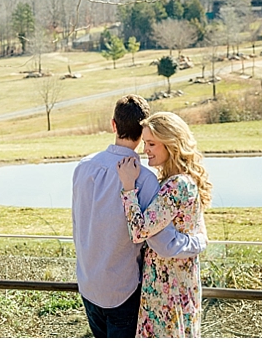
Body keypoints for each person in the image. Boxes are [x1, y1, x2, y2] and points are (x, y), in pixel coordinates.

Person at [73, 95, 206, 338]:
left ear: (113, 125)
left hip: (88, 285)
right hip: (124, 292)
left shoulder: (83, 167)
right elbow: (159, 240)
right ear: (142, 129)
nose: (147, 149)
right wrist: (199, 242)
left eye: (152, 144)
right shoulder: (143, 179)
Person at [117, 111, 211, 338]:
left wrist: (128, 187)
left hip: (167, 287)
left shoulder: (176, 185)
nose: (145, 149)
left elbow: (139, 232)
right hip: (178, 281)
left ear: (171, 144)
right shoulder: (182, 180)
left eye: (151, 144)